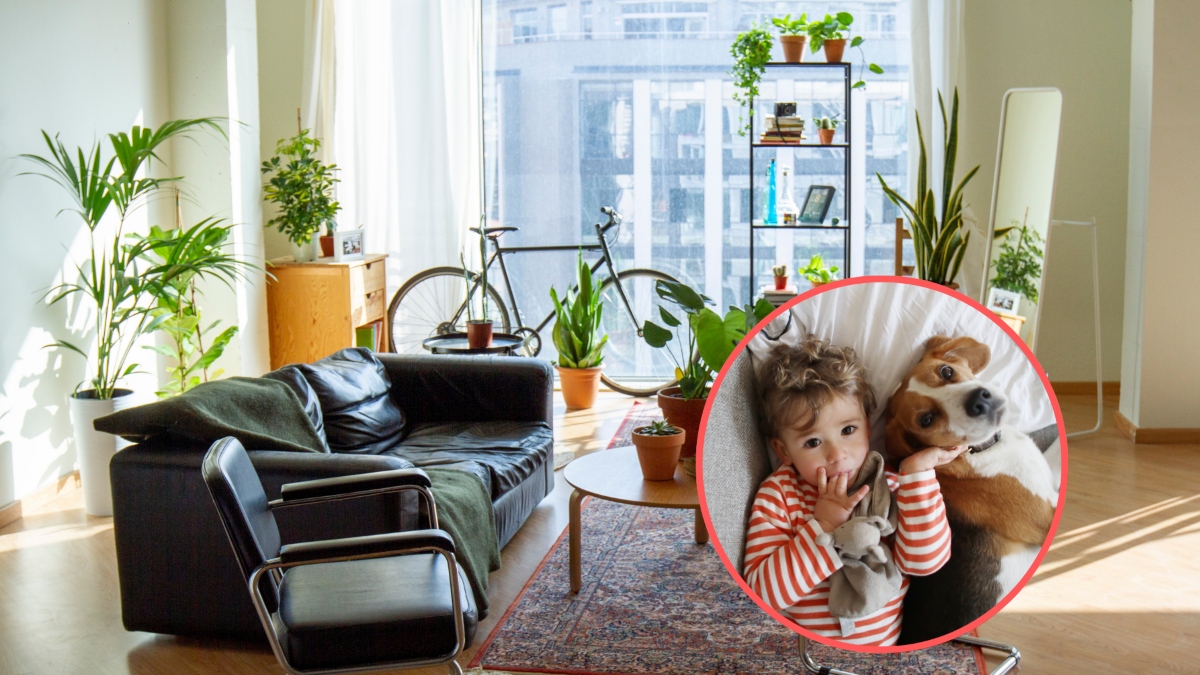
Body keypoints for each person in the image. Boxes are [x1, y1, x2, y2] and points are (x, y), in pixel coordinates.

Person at [744, 336, 966, 646]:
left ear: (867, 426)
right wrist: (823, 526)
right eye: (812, 442)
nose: (837, 455)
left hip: (882, 650)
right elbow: (761, 594)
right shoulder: (779, 495)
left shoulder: (889, 485)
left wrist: (918, 473)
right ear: (783, 451)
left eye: (848, 430)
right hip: (804, 653)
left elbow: (924, 562)